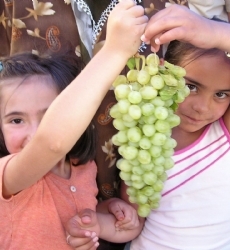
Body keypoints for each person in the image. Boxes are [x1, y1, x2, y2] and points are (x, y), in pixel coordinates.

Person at [66, 4, 230, 250]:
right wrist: (100, 224)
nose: (202, 107)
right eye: (191, 87)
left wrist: (215, 32)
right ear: (163, 74)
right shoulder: (144, 139)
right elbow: (132, 224)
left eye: (221, 94)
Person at [0, 1, 148, 249]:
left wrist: (110, 215)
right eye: (16, 120)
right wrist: (115, 51)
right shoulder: (7, 174)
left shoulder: (84, 169)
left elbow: (91, 222)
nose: (35, 133)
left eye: (50, 116)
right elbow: (51, 143)